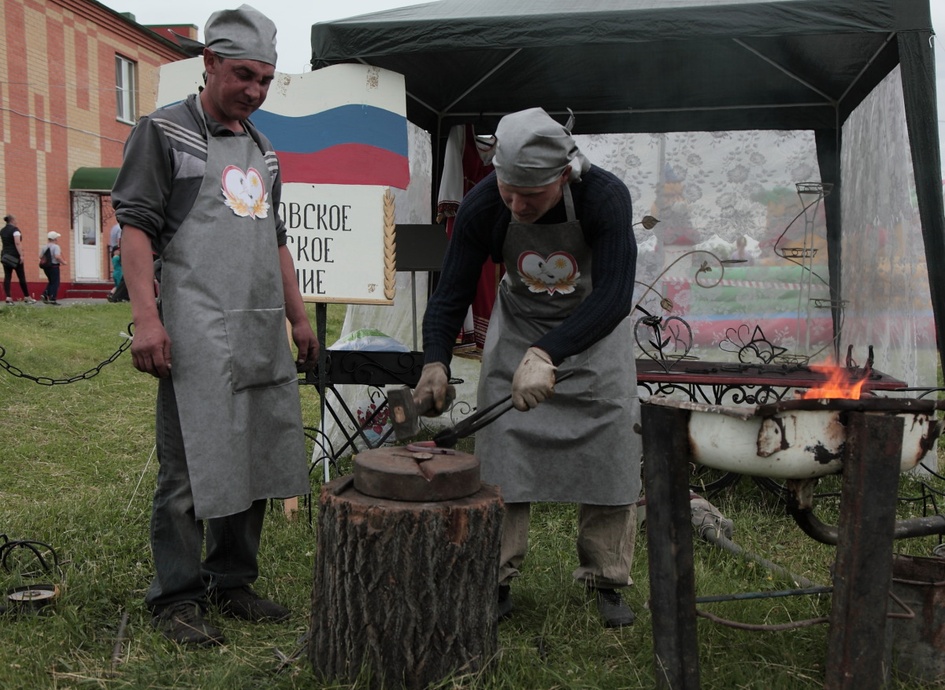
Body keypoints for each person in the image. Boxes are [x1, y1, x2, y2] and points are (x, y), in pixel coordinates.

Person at [111, 4, 319, 647]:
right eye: (242, 76)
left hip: (257, 325)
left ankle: (231, 581)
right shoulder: (163, 132)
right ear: (208, 64)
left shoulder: (264, 150)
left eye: (265, 79)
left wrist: (298, 315)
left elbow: (276, 239)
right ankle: (175, 596)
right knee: (189, 467)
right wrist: (147, 319)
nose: (254, 91)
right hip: (195, 327)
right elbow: (136, 228)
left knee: (254, 450)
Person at [415, 107, 642, 628]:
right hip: (517, 333)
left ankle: (606, 577)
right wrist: (434, 361)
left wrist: (548, 355)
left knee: (611, 449)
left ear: (564, 174)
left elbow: (613, 295)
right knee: (502, 457)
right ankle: (493, 577)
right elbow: (450, 292)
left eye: (531, 196)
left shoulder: (603, 196)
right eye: (507, 189)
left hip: (595, 340)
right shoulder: (482, 206)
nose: (516, 205)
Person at [1, 215, 37, 304]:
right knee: (21, 276)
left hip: (5, 256)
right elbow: (17, 243)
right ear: (12, 220)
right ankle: (27, 297)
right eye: (15, 219)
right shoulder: (15, 230)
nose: (16, 221)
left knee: (7, 276)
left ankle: (8, 298)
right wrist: (21, 255)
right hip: (15, 256)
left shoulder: (2, 230)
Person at [39, 231, 66, 305]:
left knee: (51, 281)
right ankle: (52, 298)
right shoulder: (56, 246)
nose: (57, 239)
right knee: (55, 283)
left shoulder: (45, 247)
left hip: (46, 267)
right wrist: (63, 262)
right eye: (57, 238)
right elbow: (57, 256)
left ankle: (45, 294)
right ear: (55, 239)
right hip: (54, 266)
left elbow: (40, 256)